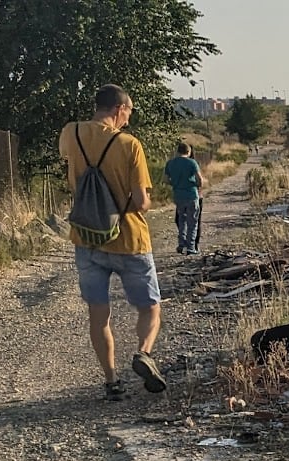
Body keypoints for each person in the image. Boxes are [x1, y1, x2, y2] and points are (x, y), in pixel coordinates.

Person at [59, 84, 166, 399]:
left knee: (98, 312)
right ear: (119, 109)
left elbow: (70, 164)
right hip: (129, 238)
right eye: (129, 112)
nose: (129, 120)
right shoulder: (130, 144)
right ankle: (144, 352)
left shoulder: (71, 133)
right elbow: (139, 202)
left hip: (87, 236)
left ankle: (111, 381)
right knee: (150, 308)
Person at [163, 141, 202, 256]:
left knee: (181, 220)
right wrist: (196, 185)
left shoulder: (170, 163)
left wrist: (175, 184)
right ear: (188, 152)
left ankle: (181, 243)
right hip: (191, 194)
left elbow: (165, 180)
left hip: (178, 195)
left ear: (177, 151)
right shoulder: (192, 163)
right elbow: (200, 180)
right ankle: (190, 247)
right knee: (193, 222)